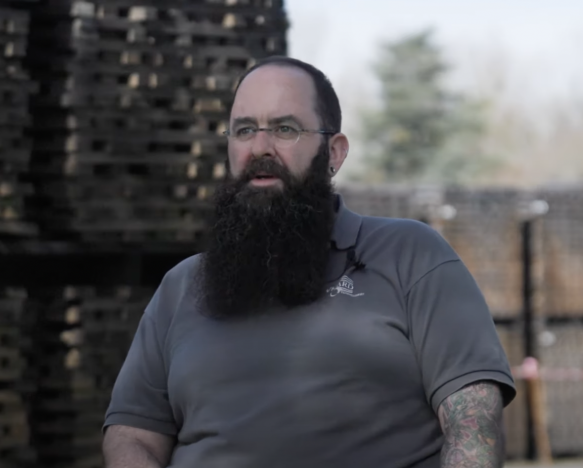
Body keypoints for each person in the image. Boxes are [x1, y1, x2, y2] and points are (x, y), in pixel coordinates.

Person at [101, 56, 516, 468]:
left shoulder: (410, 254)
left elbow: (472, 425)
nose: (260, 148)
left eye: (285, 129)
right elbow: (133, 434)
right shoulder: (181, 286)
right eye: (244, 130)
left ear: (334, 152)